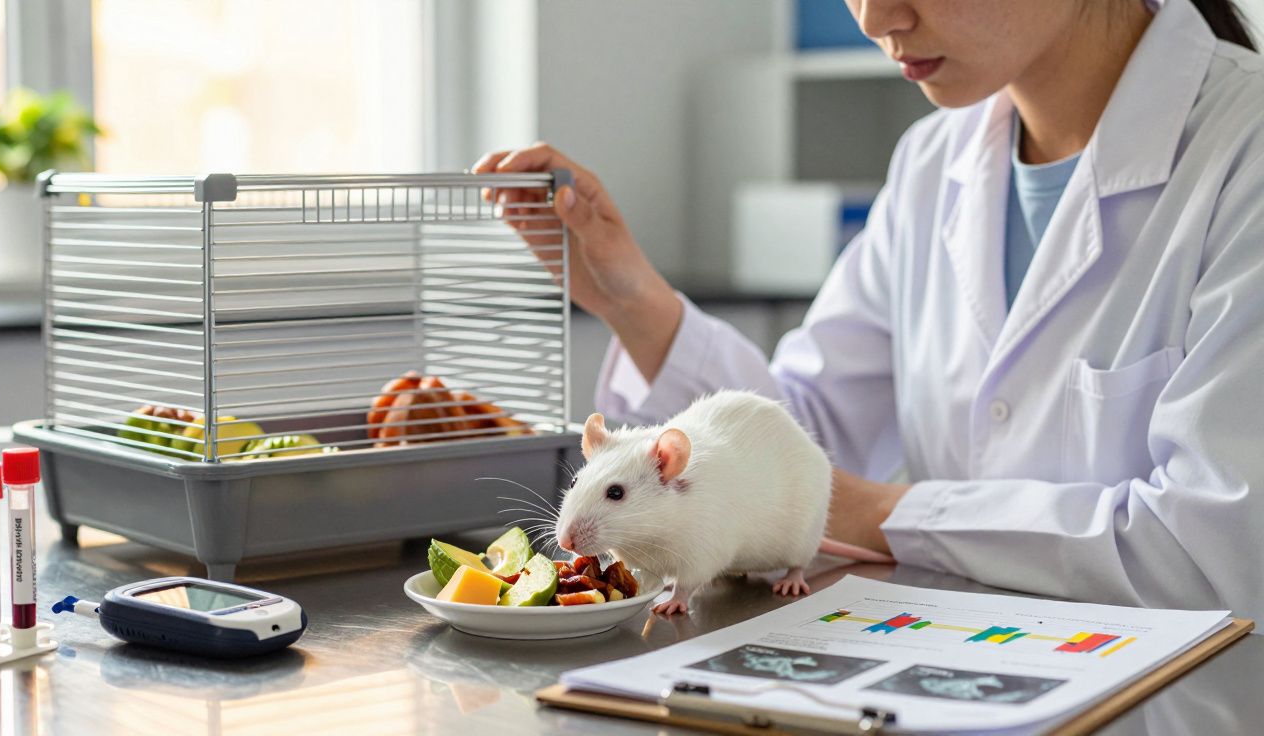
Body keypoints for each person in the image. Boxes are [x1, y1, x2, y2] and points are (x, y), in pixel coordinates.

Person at [473, 0, 1264, 620]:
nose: (875, 16)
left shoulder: (1243, 150)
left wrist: (889, 512)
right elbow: (799, 435)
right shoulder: (931, 163)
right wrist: (632, 300)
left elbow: (1216, 546)